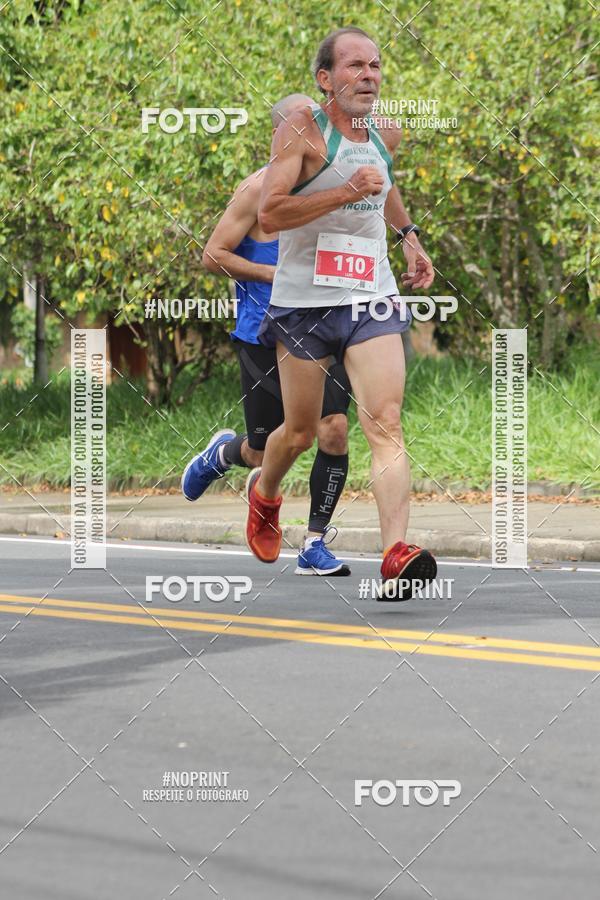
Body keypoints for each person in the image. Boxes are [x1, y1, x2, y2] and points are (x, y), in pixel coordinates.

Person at [245, 27, 438, 600]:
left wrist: (409, 235)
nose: (369, 75)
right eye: (355, 66)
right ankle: (267, 490)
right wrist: (343, 189)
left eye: (376, 66)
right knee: (302, 432)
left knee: (386, 420)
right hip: (304, 304)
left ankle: (395, 554)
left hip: (370, 295)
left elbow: (384, 187)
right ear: (325, 79)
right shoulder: (300, 132)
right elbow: (272, 214)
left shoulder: (387, 133)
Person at [181, 94, 353, 576]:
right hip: (263, 332)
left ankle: (315, 543)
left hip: (324, 327)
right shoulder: (257, 190)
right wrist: (272, 275)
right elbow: (213, 254)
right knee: (267, 447)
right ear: (282, 139)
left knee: (333, 431)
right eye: (307, 129)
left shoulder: (333, 185)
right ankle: (224, 453)